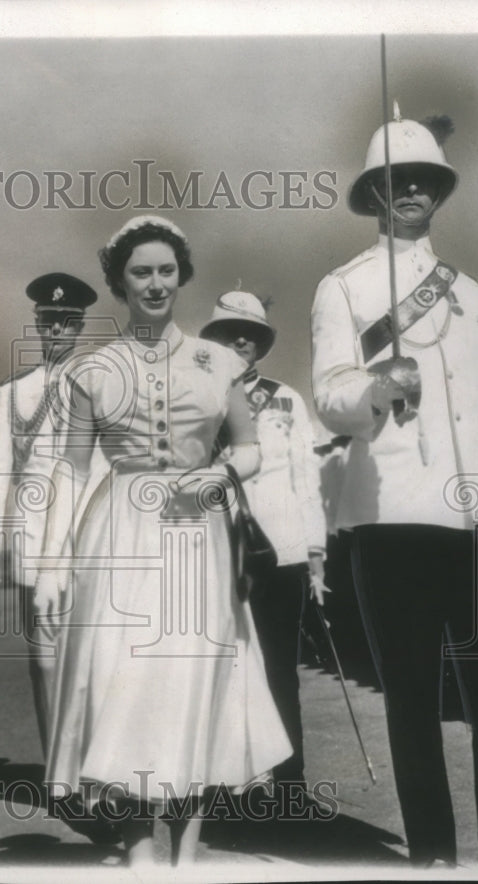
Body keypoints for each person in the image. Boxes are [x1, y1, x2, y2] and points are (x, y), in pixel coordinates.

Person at [311, 110, 478, 868]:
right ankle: (433, 859)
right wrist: (377, 385)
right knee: (411, 702)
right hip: (397, 516)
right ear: (374, 193)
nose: (411, 191)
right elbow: (329, 397)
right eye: (395, 180)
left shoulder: (473, 293)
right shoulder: (343, 287)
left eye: (424, 180)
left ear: (440, 190)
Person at [39, 216, 292, 866]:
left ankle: (186, 854)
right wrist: (51, 563)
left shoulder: (218, 361)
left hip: (196, 536)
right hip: (118, 534)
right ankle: (139, 851)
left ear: (181, 277)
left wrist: (220, 475)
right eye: (141, 272)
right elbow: (71, 469)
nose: (155, 284)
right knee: (125, 683)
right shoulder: (92, 370)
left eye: (166, 271)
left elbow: (250, 447)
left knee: (192, 680)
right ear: (120, 283)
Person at [200, 290, 327, 804]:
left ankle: (291, 785)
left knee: (279, 671)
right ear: (212, 340)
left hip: (281, 550)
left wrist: (315, 553)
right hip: (217, 549)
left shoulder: (286, 398)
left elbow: (307, 478)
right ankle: (228, 785)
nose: (240, 340)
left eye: (250, 332)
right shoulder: (197, 397)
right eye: (228, 331)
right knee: (223, 668)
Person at [0, 272, 97, 755]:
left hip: (89, 533)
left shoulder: (102, 383)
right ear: (38, 325)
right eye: (48, 321)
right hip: (34, 537)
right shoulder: (14, 391)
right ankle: (57, 771)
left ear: (80, 326)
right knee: (45, 658)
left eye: (66, 322)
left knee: (93, 657)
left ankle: (93, 765)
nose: (57, 331)